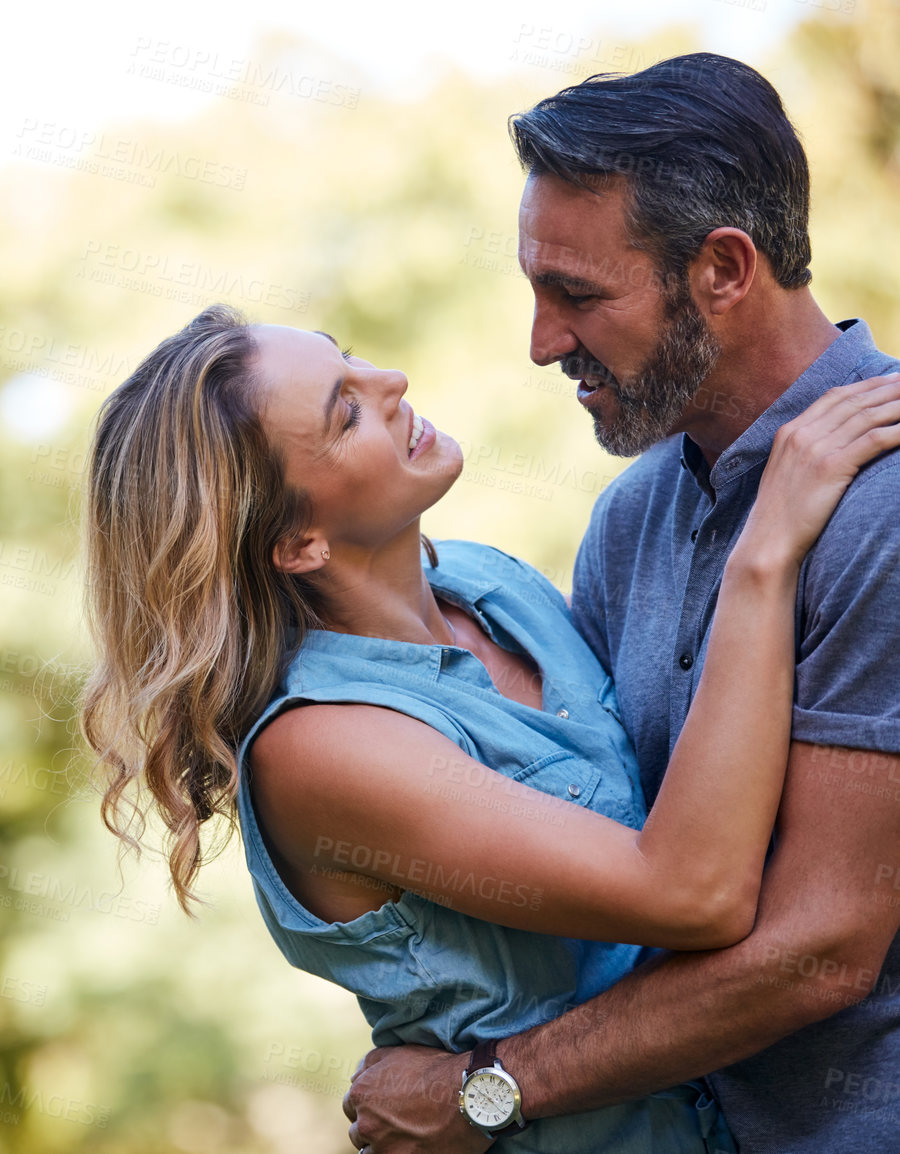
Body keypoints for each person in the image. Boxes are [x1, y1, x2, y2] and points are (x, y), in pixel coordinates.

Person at [78, 298, 900, 1149]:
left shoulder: (493, 586)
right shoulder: (321, 746)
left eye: (351, 359)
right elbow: (694, 893)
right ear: (296, 544)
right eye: (345, 411)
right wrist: (765, 552)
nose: (390, 382)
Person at [341, 54, 900, 1154]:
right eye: (535, 290)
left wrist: (483, 1089)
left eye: (578, 295)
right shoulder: (630, 521)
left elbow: (821, 944)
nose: (542, 341)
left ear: (724, 270)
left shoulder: (883, 507)